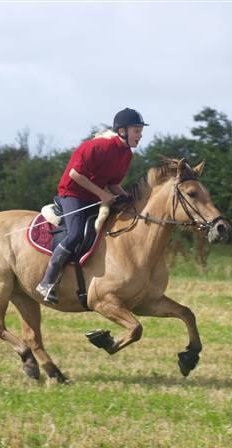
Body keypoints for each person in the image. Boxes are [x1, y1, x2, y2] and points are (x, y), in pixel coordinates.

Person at [36, 107, 148, 304]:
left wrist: (129, 198)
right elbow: (74, 175)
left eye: (140, 130)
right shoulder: (97, 147)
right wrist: (102, 194)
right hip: (73, 193)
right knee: (75, 234)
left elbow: (113, 184)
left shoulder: (126, 155)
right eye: (136, 130)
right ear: (122, 131)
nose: (140, 135)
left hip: (94, 196)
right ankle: (48, 281)